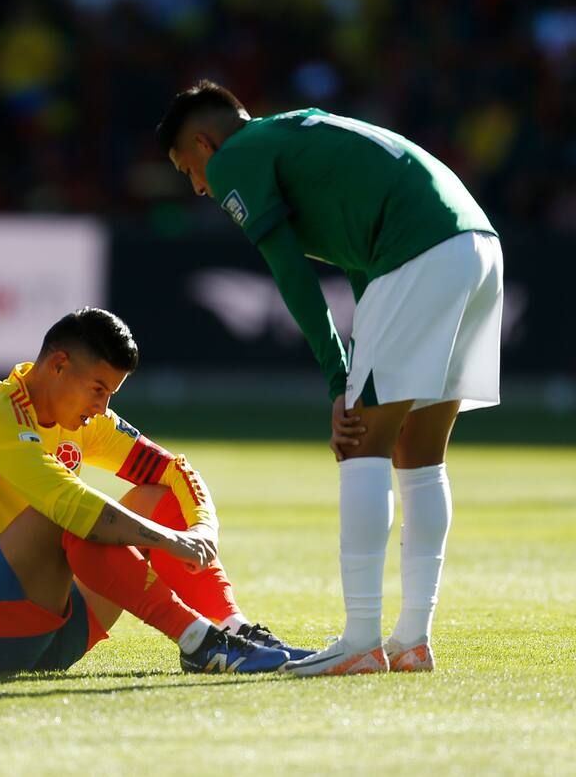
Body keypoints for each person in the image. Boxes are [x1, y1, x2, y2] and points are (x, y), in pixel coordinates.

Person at [156, 80, 503, 676]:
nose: (198, 186)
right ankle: (412, 639)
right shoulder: (295, 135)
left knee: (361, 443)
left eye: (190, 168)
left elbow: (289, 273)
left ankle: (362, 639)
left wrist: (336, 378)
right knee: (419, 453)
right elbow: (357, 262)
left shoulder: (239, 154)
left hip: (418, 247)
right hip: (476, 245)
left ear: (205, 141)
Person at [0, 307, 309, 675]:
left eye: (110, 395)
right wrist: (168, 540)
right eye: (98, 389)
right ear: (58, 365)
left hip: (57, 632)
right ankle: (198, 640)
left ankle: (233, 630)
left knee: (157, 496)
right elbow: (69, 504)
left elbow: (173, 470)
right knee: (67, 513)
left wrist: (203, 531)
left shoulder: (85, 419)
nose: (103, 408)